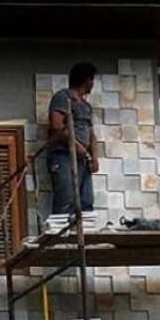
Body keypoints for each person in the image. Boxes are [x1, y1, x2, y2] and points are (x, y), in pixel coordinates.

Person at [46, 61, 99, 219]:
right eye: (92, 79)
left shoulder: (85, 105)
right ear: (87, 79)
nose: (92, 83)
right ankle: (61, 241)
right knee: (66, 198)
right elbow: (56, 125)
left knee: (86, 201)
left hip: (82, 159)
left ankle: (84, 237)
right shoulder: (63, 97)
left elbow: (91, 134)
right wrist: (76, 146)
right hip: (64, 156)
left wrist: (94, 157)